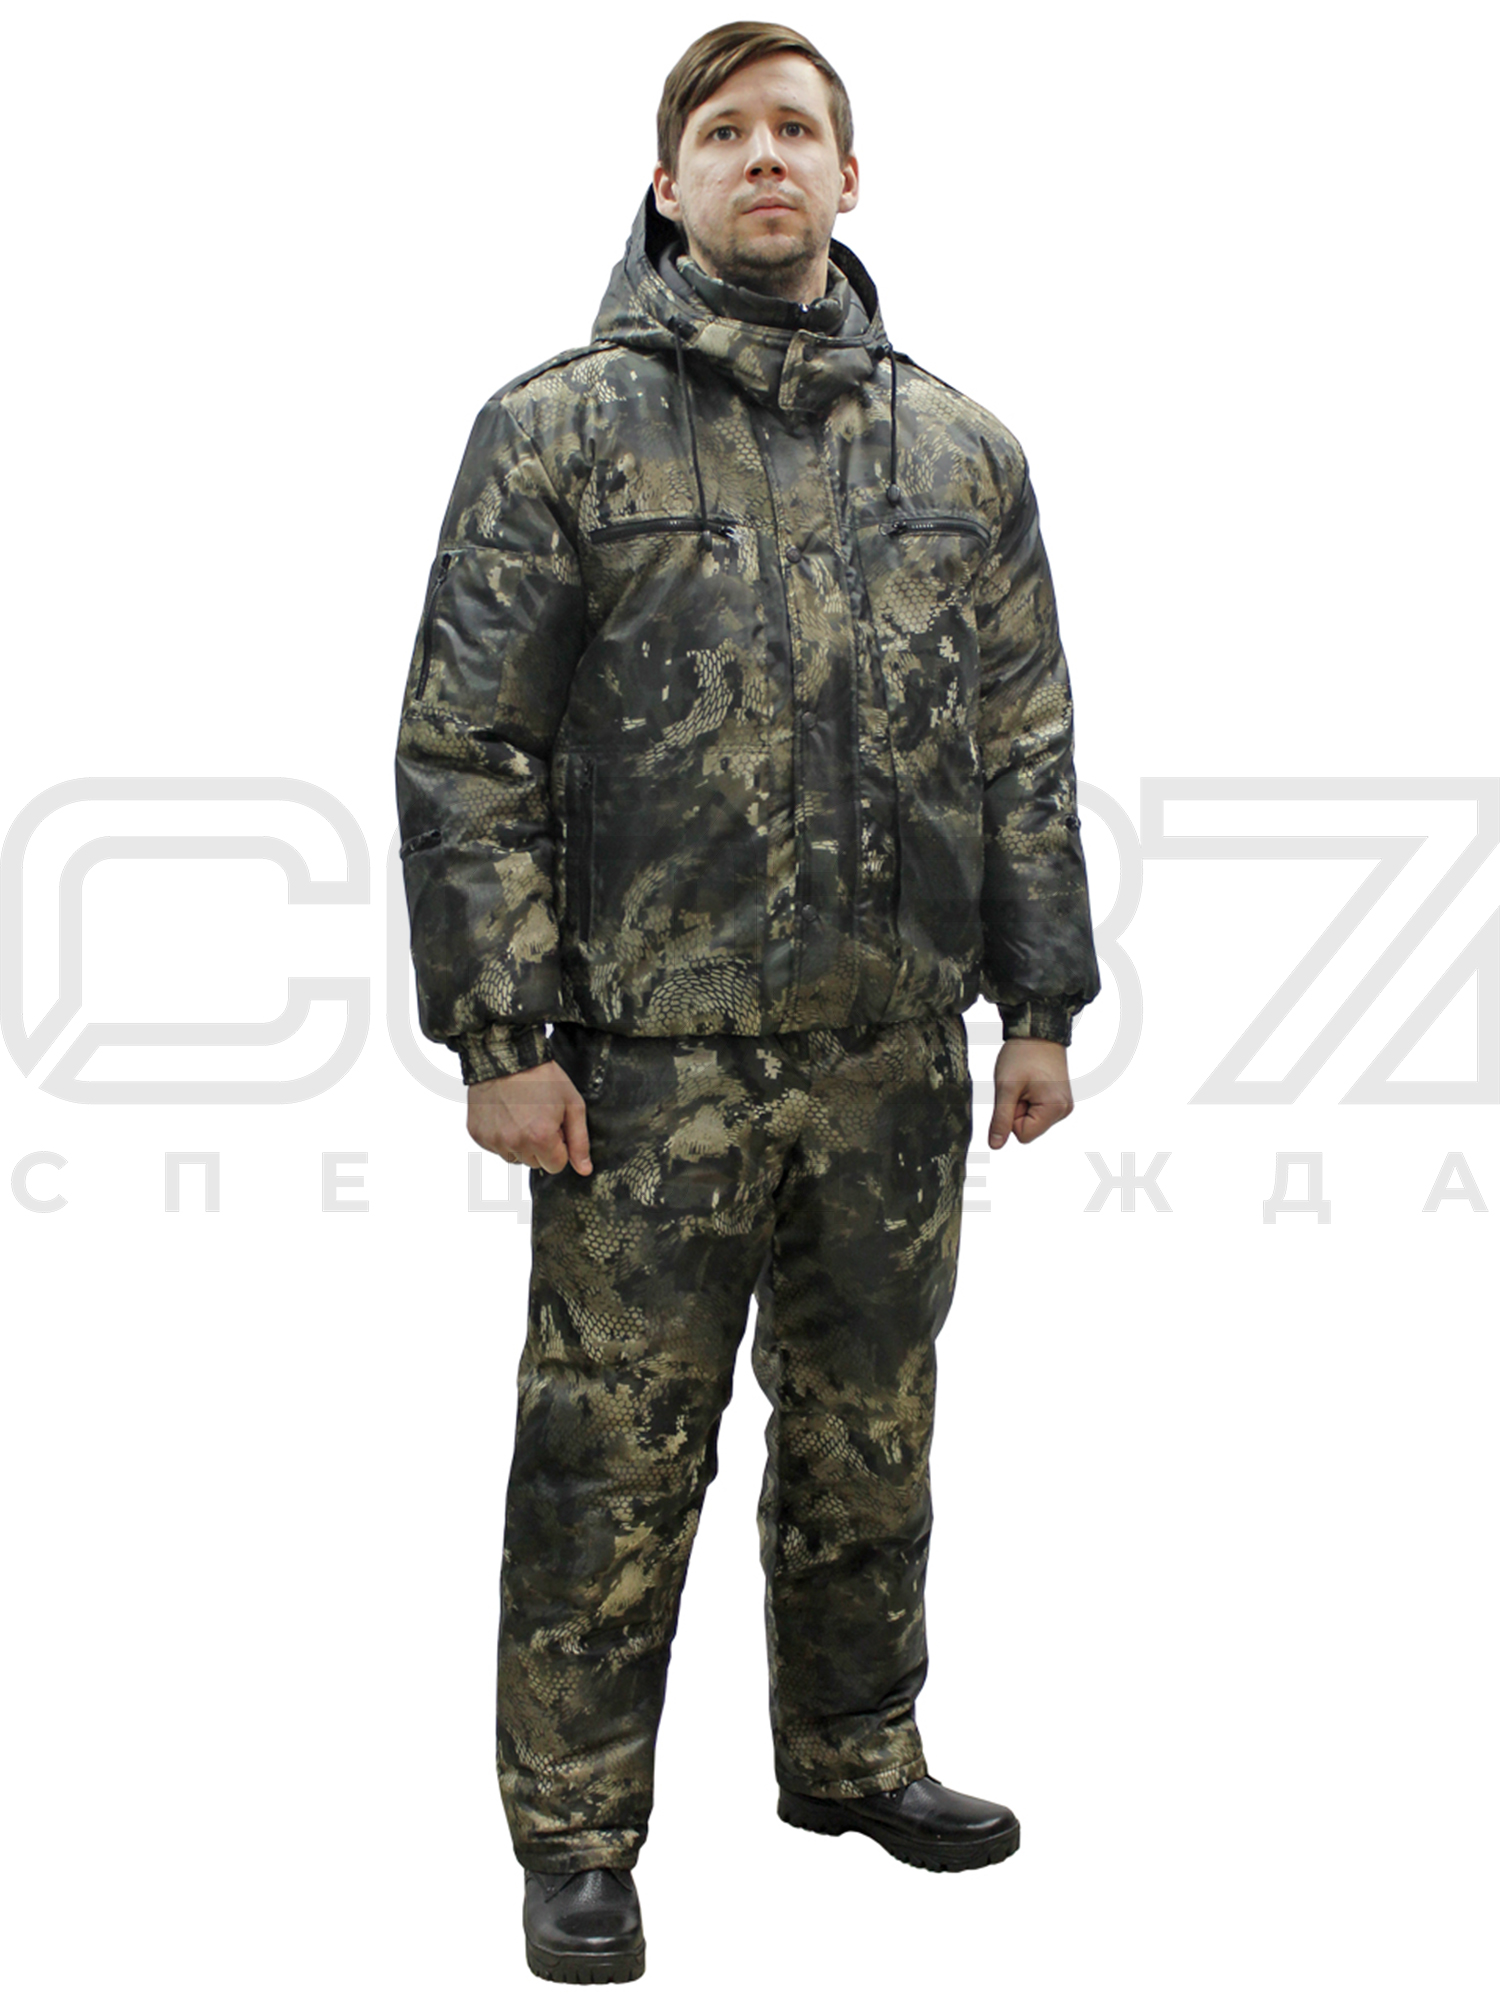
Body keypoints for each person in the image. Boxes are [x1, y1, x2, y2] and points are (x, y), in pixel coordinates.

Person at [394, 19, 1101, 1985]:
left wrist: (1039, 1001)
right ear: (670, 181)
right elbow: (466, 744)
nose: (765, 155)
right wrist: (504, 1037)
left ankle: (857, 1756)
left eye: (799, 128)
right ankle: (575, 1834)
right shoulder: (559, 432)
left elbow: (1025, 742)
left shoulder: (962, 453)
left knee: (872, 1425)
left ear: (850, 179)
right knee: (613, 1448)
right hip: (648, 1065)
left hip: (894, 1051)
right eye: (726, 131)